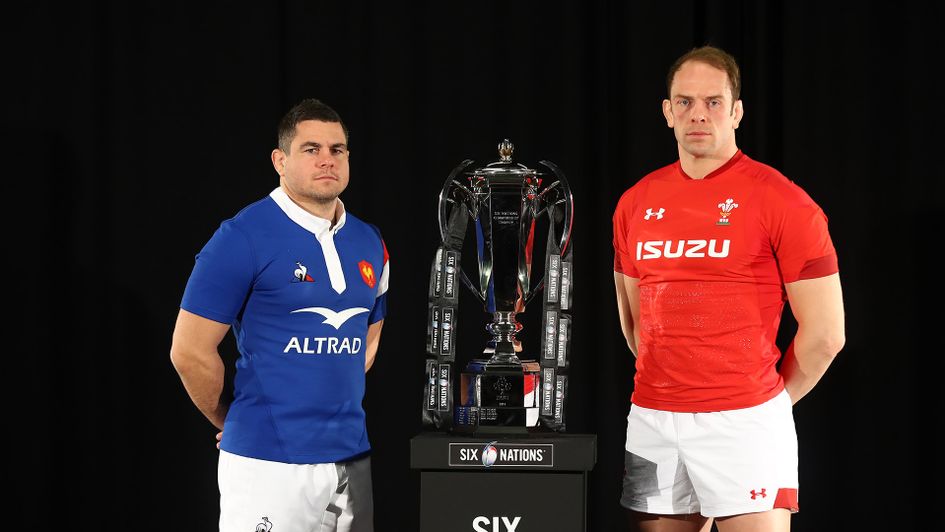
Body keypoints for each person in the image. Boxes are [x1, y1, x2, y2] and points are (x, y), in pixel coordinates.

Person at [612, 46, 845, 532]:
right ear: (667, 112)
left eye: (714, 102)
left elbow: (826, 335)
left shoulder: (783, 201)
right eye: (685, 101)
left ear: (737, 111)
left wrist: (765, 405)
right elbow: (637, 326)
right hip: (653, 420)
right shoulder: (634, 203)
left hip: (745, 423)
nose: (698, 113)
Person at [170, 98, 388, 532]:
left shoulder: (370, 240)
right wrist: (229, 418)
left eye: (337, 149)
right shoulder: (242, 236)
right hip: (268, 465)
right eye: (311, 149)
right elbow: (189, 352)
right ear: (280, 160)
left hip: (351, 461)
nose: (327, 160)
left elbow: (366, 342)